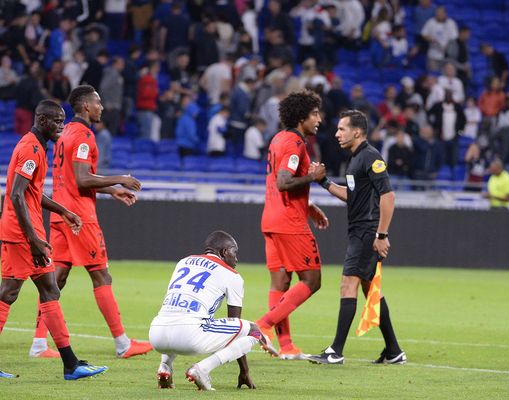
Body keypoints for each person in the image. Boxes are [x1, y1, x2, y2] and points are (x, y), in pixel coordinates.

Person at [28, 85, 153, 359]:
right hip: (80, 217)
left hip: (61, 213)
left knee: (56, 278)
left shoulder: (65, 133)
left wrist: (111, 190)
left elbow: (76, 179)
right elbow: (84, 179)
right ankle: (122, 343)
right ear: (86, 106)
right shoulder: (84, 137)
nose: (102, 107)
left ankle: (38, 344)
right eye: (98, 103)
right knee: (101, 274)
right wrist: (120, 178)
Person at [0, 100, 107, 379]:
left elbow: (30, 193)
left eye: (63, 120)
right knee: (29, 291)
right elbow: (15, 195)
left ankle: (70, 364)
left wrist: (64, 210)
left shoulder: (35, 146)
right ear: (42, 120)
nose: (62, 125)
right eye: (57, 121)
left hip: (22, 231)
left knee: (31, 291)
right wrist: (34, 239)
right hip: (22, 234)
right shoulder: (31, 149)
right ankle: (70, 364)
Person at [307, 109, 406, 365]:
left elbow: (388, 196)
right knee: (370, 287)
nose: (337, 133)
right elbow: (353, 196)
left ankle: (335, 351)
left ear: (357, 131)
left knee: (347, 284)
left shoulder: (371, 157)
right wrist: (324, 182)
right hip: (361, 230)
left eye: (342, 129)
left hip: (367, 232)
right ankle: (394, 351)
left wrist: (381, 234)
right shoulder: (356, 160)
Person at [149, 231, 278, 391]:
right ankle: (202, 369)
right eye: (234, 252)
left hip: (156, 333)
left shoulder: (184, 262)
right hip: (189, 336)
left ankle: (164, 367)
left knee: (178, 313)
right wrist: (244, 370)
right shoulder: (232, 275)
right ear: (224, 252)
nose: (236, 259)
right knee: (253, 330)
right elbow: (237, 326)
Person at [256, 90, 329, 360]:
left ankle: (286, 347)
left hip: (271, 218)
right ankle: (263, 326)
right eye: (314, 114)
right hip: (289, 223)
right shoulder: (295, 144)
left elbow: (280, 179)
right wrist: (313, 177)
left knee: (280, 281)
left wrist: (309, 207)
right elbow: (284, 181)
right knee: (312, 280)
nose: (318, 119)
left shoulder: (278, 139)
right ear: (301, 117)